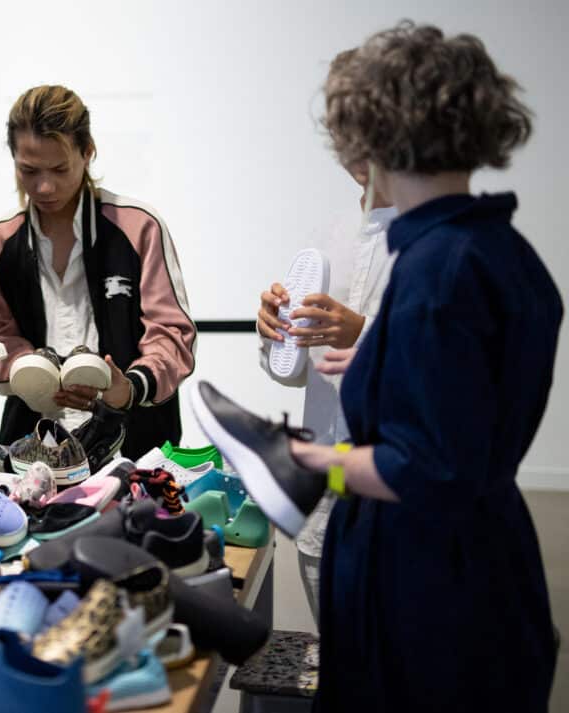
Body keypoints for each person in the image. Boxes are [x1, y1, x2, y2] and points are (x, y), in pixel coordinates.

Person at [287, 23, 559, 710]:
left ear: (370, 136)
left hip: (428, 593)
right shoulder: (502, 252)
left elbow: (427, 468)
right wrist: (382, 363)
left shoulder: (438, 271)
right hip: (478, 569)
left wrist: (302, 459)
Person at [0, 85, 196, 457]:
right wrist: (28, 371)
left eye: (60, 169)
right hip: (32, 447)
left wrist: (129, 388)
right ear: (13, 159)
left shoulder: (138, 227)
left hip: (135, 444)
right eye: (29, 170)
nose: (45, 186)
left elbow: (171, 334)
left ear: (87, 152)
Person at [257, 147, 398, 623]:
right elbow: (294, 370)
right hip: (327, 497)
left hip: (401, 504)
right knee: (336, 652)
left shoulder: (435, 246)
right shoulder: (327, 238)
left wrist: (364, 335)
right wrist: (273, 333)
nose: (359, 147)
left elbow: (458, 372)